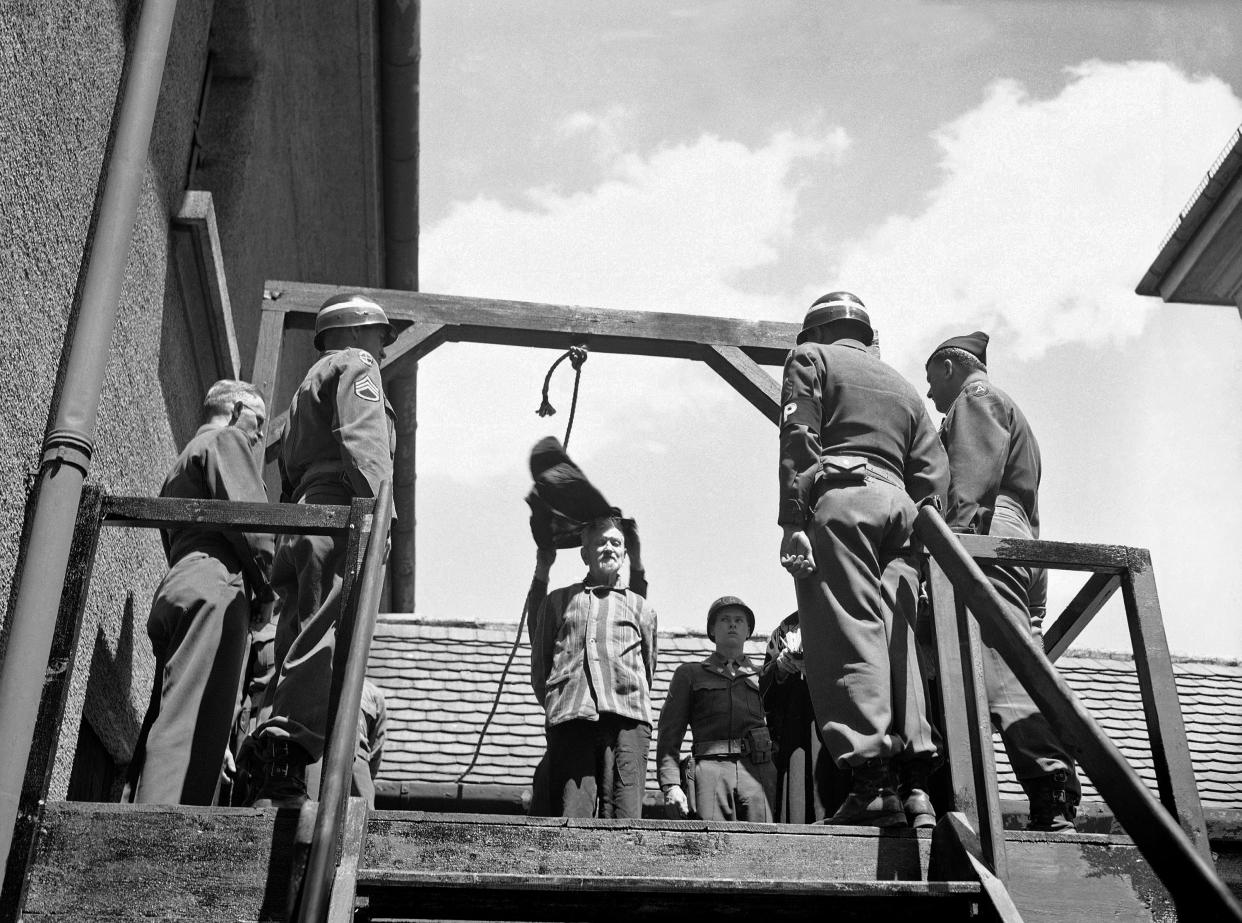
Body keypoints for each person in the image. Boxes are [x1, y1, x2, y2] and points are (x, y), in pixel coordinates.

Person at [778, 291, 948, 828]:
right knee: (897, 638)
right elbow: (933, 475)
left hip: (842, 502)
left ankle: (872, 784)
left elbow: (798, 437)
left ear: (816, 333)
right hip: (903, 512)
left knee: (846, 634)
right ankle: (918, 789)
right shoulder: (901, 384)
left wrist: (792, 523)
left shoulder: (811, 360)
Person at [244, 293, 397, 807]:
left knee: (293, 638)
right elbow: (364, 441)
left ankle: (269, 767)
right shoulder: (358, 365)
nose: (383, 342)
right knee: (323, 638)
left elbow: (286, 474)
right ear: (357, 331)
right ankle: (287, 757)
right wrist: (377, 517)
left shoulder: (304, 387)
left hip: (304, 519)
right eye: (380, 331)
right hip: (340, 513)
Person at [924, 330, 1081, 831]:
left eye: (932, 381)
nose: (929, 394)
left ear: (949, 367)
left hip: (985, 536)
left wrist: (949, 556)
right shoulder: (1006, 406)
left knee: (999, 672)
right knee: (1016, 661)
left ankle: (1051, 790)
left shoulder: (975, 399)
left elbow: (969, 484)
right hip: (1018, 538)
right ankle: (1053, 784)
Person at [127, 380, 273, 805]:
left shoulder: (182, 462)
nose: (260, 434)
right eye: (258, 421)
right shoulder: (226, 440)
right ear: (236, 410)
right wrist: (266, 591)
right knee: (197, 729)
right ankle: (161, 840)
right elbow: (253, 526)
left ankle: (141, 817)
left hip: (181, 580)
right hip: (215, 584)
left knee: (172, 713)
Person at [530, 516, 658, 818]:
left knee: (624, 817)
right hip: (572, 718)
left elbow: (647, 667)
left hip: (627, 720)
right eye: (600, 542)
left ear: (625, 554)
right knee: (572, 814)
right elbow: (541, 666)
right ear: (584, 553)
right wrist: (560, 702)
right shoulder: (559, 601)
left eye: (616, 543)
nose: (608, 548)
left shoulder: (641, 608)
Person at [657, 597, 776, 822]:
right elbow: (669, 733)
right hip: (709, 773)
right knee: (711, 846)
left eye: (739, 620)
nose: (732, 625)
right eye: (725, 619)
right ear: (712, 629)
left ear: (748, 630)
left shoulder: (765, 676)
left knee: (762, 847)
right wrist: (671, 784)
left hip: (757, 774)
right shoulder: (690, 674)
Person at [759, 610, 847, 824]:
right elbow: (763, 690)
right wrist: (780, 668)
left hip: (843, 723)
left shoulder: (850, 613)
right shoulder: (786, 627)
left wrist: (824, 667)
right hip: (799, 732)